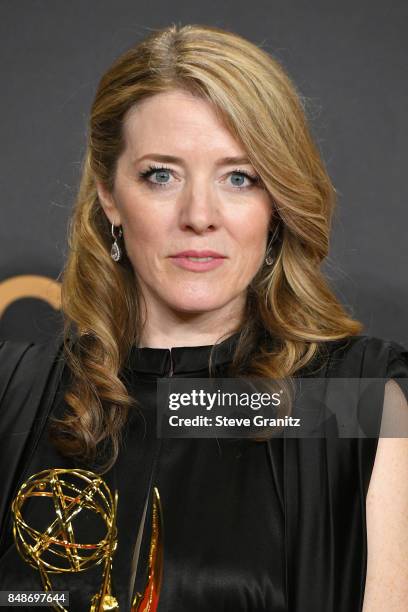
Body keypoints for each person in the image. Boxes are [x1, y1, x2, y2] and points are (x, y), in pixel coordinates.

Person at [0, 23, 407, 612]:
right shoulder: (15, 393)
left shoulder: (355, 404)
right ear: (110, 196)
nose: (199, 215)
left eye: (238, 177)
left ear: (277, 205)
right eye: (160, 175)